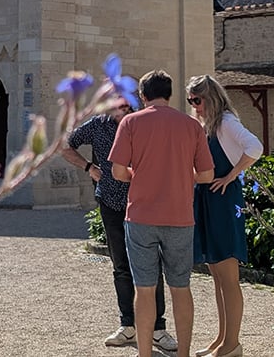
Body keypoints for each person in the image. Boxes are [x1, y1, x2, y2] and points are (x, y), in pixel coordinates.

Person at [109, 70, 214, 357]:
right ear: (169, 94)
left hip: (141, 215)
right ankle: (183, 354)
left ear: (142, 95)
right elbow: (206, 174)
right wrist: (182, 175)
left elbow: (118, 171)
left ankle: (144, 353)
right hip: (180, 216)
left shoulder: (130, 122)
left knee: (144, 289)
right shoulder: (191, 126)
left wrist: (139, 175)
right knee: (181, 287)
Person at [61, 101, 178, 352]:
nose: (124, 108)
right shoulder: (97, 125)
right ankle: (128, 326)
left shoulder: (144, 124)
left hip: (145, 203)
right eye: (119, 104)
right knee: (121, 266)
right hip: (112, 203)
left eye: (128, 104)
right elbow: (64, 144)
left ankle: (158, 329)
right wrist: (88, 167)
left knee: (152, 265)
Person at [186, 74, 263, 357]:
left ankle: (233, 344)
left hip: (223, 198)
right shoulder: (210, 125)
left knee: (228, 276)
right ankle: (222, 339)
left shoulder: (228, 122)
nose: (194, 106)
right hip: (208, 198)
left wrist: (232, 174)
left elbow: (256, 147)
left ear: (210, 98)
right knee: (217, 274)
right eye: (190, 101)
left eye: (197, 100)